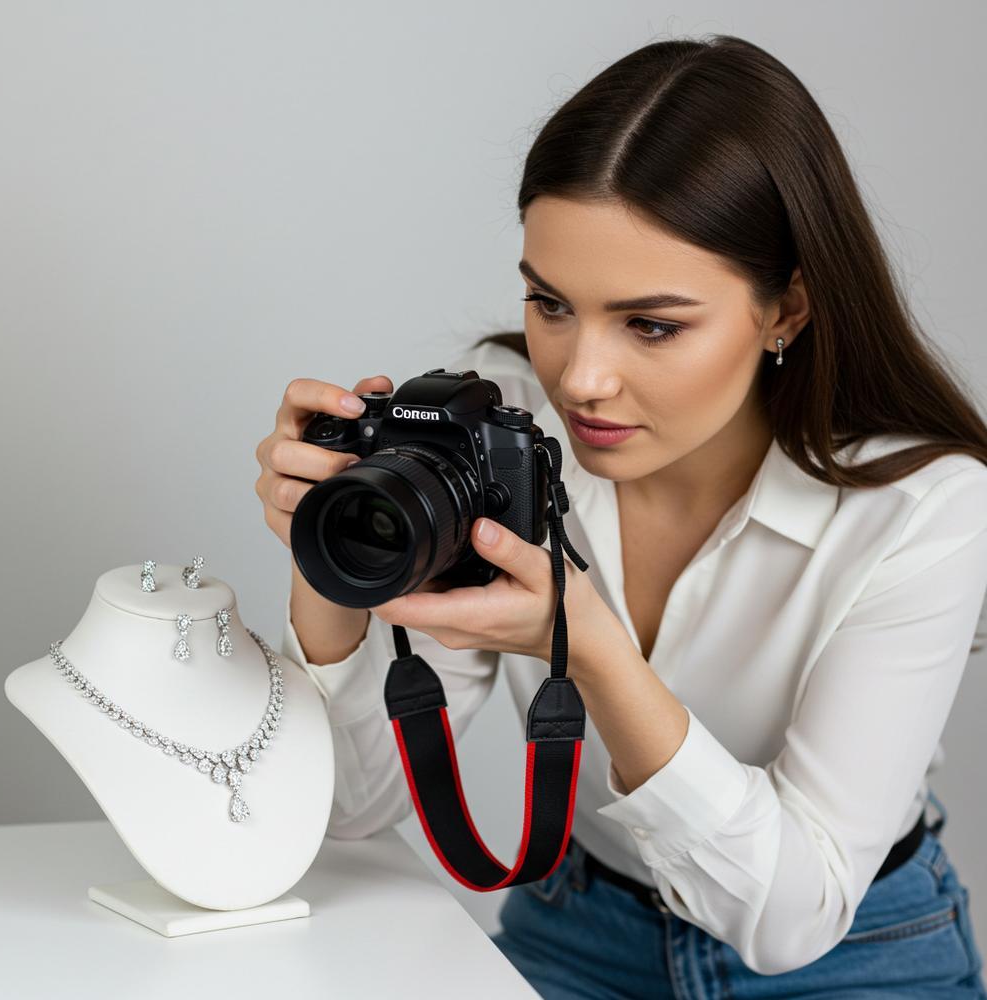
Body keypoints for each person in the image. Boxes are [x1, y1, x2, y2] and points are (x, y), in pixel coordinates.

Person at [254, 33, 987, 999]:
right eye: (550, 303)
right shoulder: (501, 428)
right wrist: (330, 566)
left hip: (853, 951)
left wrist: (594, 650)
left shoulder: (924, 507)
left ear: (788, 310)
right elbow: (350, 807)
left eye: (651, 324)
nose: (580, 379)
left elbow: (792, 919)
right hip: (578, 920)